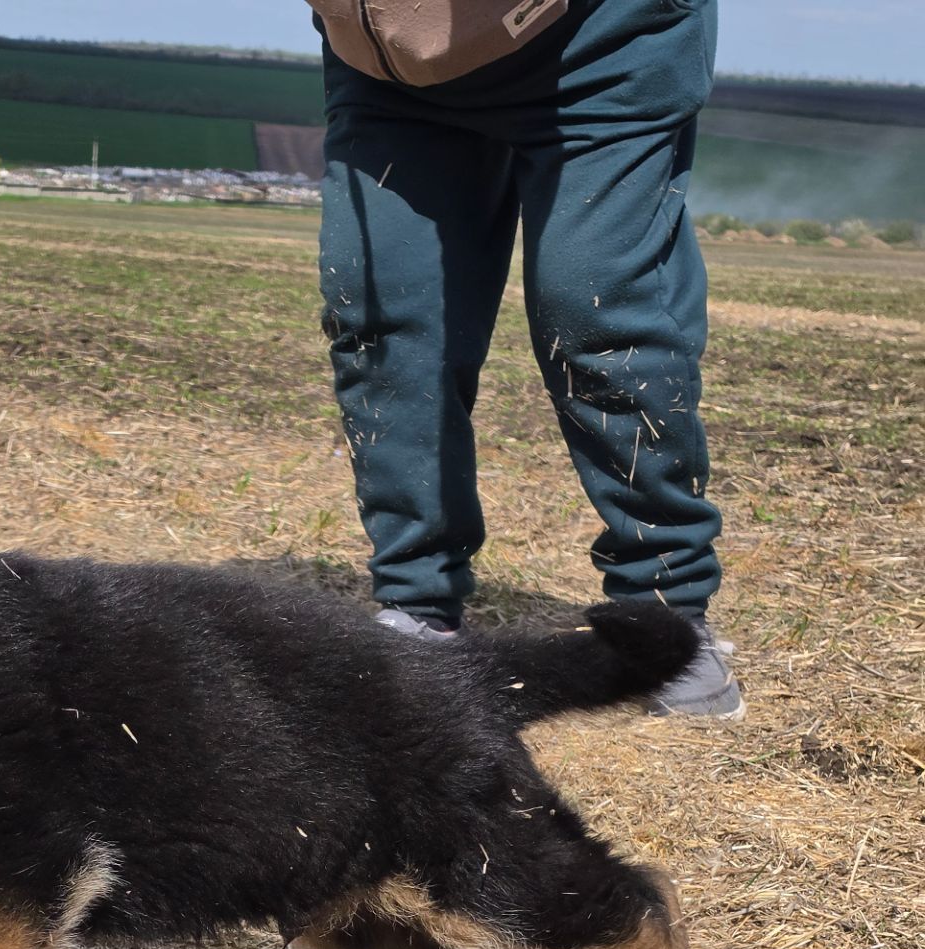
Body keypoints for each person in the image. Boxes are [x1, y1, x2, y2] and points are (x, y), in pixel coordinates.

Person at [313, 0, 744, 718]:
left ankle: (665, 613)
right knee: (381, 306)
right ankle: (416, 603)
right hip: (392, 58)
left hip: (601, 44)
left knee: (598, 307)